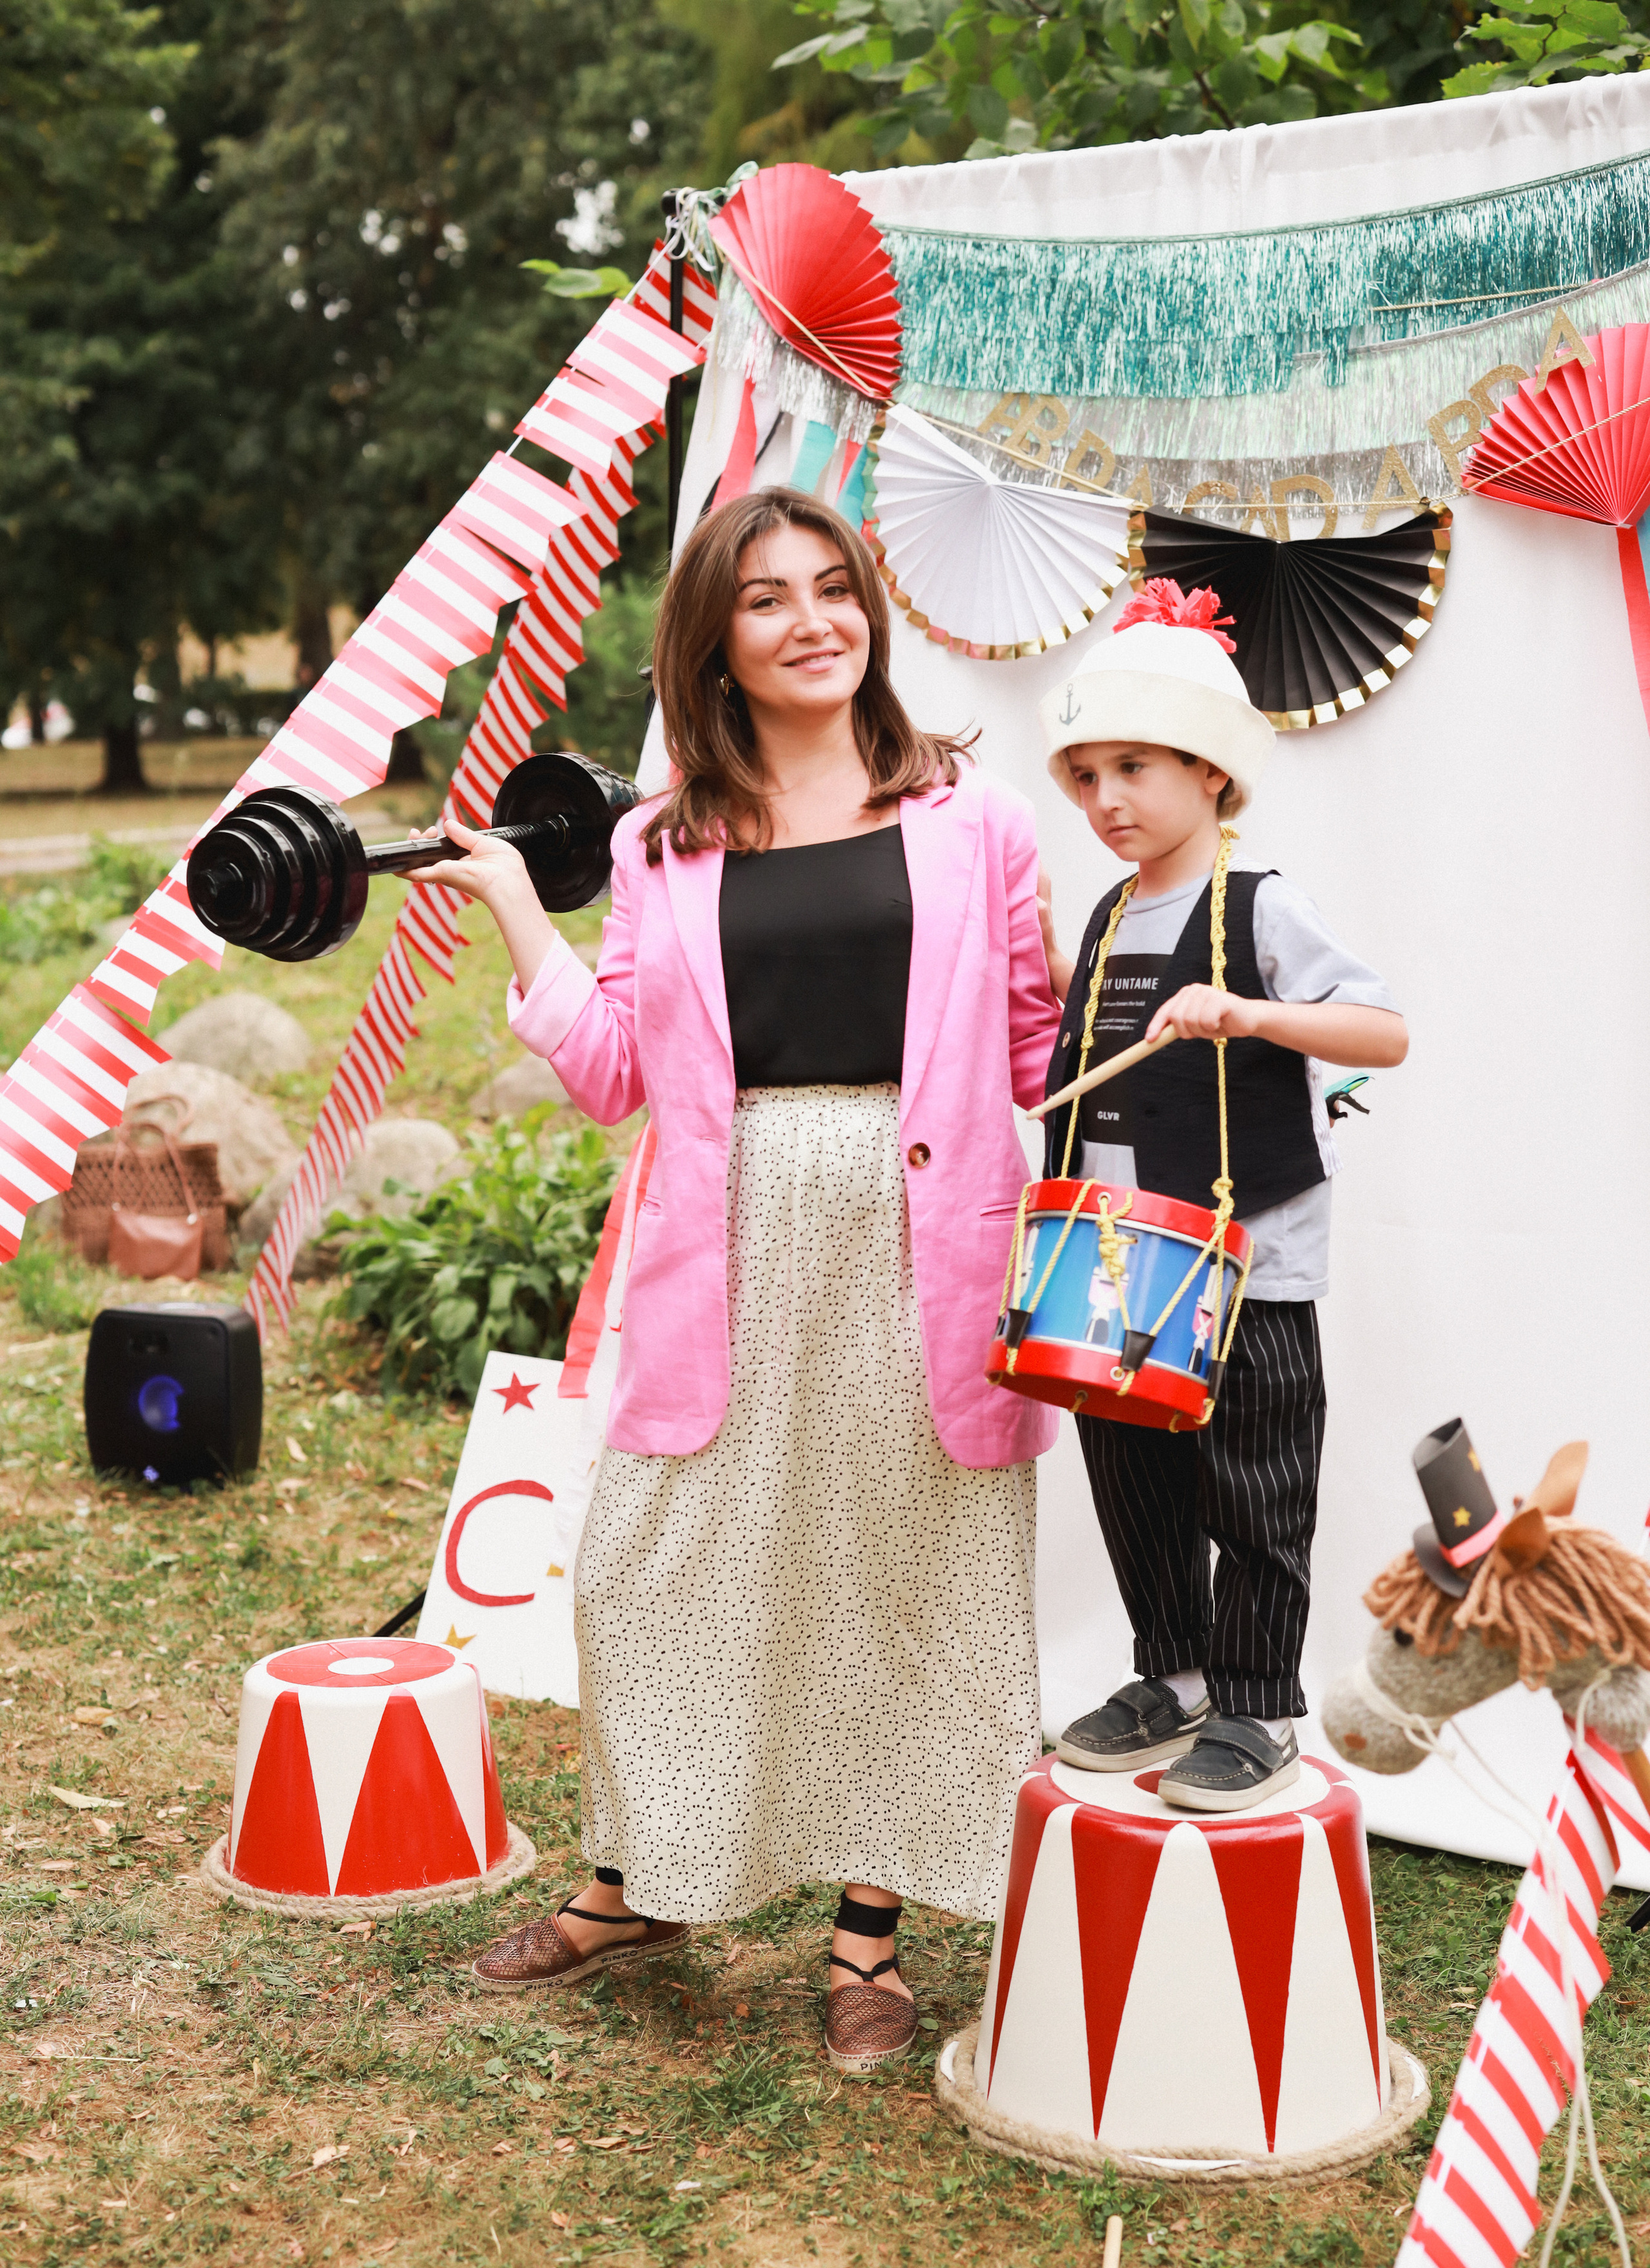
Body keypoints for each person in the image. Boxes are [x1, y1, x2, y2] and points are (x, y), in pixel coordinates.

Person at [409, 485, 1064, 2071]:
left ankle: (866, 1940)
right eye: (766, 599)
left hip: (927, 1242)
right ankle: (642, 1883)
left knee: (904, 1570)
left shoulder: (969, 819)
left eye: (833, 589)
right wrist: (515, 909)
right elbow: (614, 1069)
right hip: (734, 1238)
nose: (811, 621)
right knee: (659, 1560)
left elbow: (1039, 1046)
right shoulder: (663, 841)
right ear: (713, 639)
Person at [1036, 579, 1408, 1813]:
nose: (1105, 802)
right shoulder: (1104, 917)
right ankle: (1175, 1671)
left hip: (1247, 1261)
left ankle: (1256, 1707)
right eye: (1085, 776)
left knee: (1253, 1481)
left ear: (1211, 773)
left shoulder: (1262, 905)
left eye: (1133, 768)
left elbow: (1383, 1032)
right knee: (1131, 1474)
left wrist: (1250, 1012)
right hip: (1114, 1261)